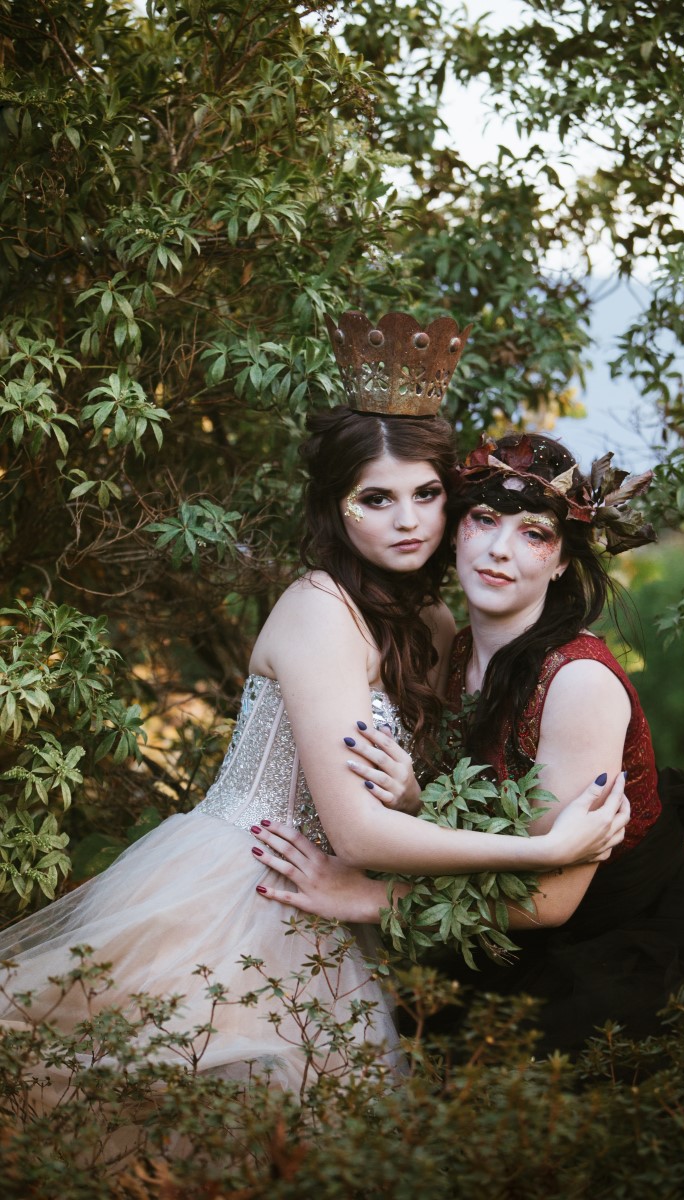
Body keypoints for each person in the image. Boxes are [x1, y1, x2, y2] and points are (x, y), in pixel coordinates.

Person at [0, 319, 628, 1097]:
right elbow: (357, 831)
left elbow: (397, 809)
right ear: (337, 507)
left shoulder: (435, 626)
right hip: (239, 887)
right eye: (376, 499)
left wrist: (415, 799)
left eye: (427, 495)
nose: (408, 521)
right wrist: (544, 851)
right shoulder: (320, 609)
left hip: (327, 901)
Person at [250, 431, 684, 1054]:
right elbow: (482, 818)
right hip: (513, 945)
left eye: (534, 533)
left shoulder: (577, 683)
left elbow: (551, 900)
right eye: (484, 520)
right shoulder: (452, 650)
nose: (499, 550)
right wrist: (416, 800)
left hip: (622, 942)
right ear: (455, 531)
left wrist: (370, 896)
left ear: (562, 561)